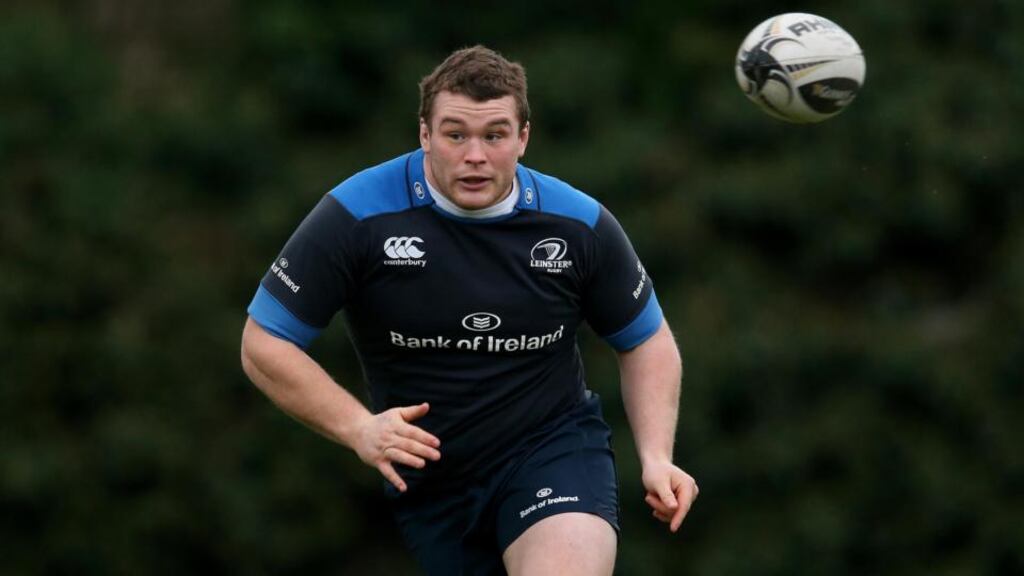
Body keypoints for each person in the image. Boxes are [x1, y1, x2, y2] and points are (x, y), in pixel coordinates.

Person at [240, 44, 697, 576]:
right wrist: (359, 428)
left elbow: (646, 339)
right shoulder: (358, 215)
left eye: (495, 135)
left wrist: (657, 456)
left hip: (554, 450)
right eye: (456, 134)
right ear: (425, 135)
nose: (475, 154)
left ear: (523, 138)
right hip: (436, 484)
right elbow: (263, 341)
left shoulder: (579, 226)